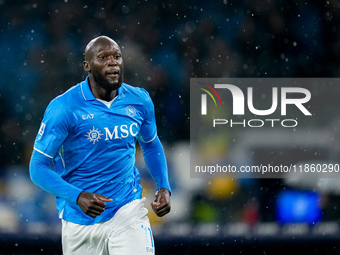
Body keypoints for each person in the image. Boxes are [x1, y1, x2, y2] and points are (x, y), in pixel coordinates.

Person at [29, 35, 171, 255]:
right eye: (103, 57)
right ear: (87, 66)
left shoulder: (139, 100)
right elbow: (37, 167)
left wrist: (164, 186)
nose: (112, 62)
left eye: (116, 56)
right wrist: (77, 195)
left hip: (127, 211)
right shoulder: (64, 108)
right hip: (79, 221)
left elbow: (151, 145)